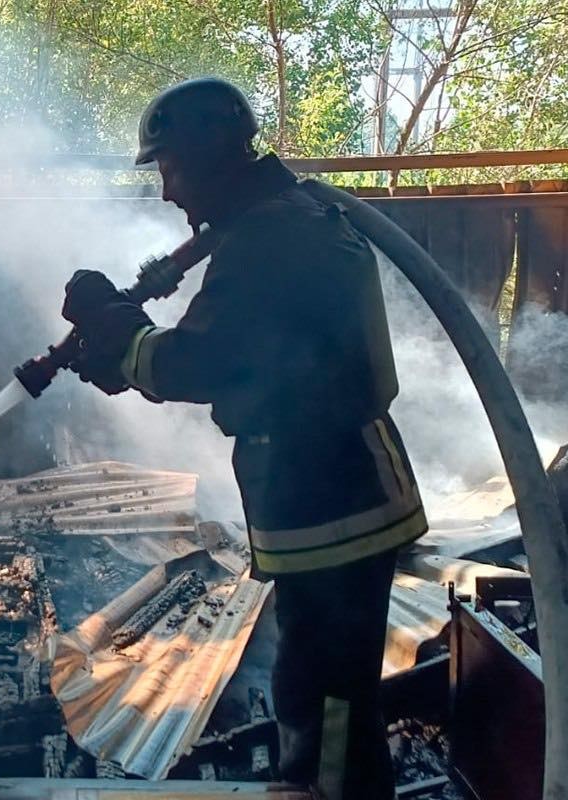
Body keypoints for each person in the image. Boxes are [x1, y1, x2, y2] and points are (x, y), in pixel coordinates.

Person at [61, 77, 427, 800]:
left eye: (168, 169)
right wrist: (124, 340)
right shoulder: (278, 219)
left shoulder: (272, 237)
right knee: (316, 679)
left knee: (329, 698)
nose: (166, 193)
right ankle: (320, 786)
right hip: (329, 491)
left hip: (333, 499)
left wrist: (122, 339)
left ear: (208, 155)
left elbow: (203, 358)